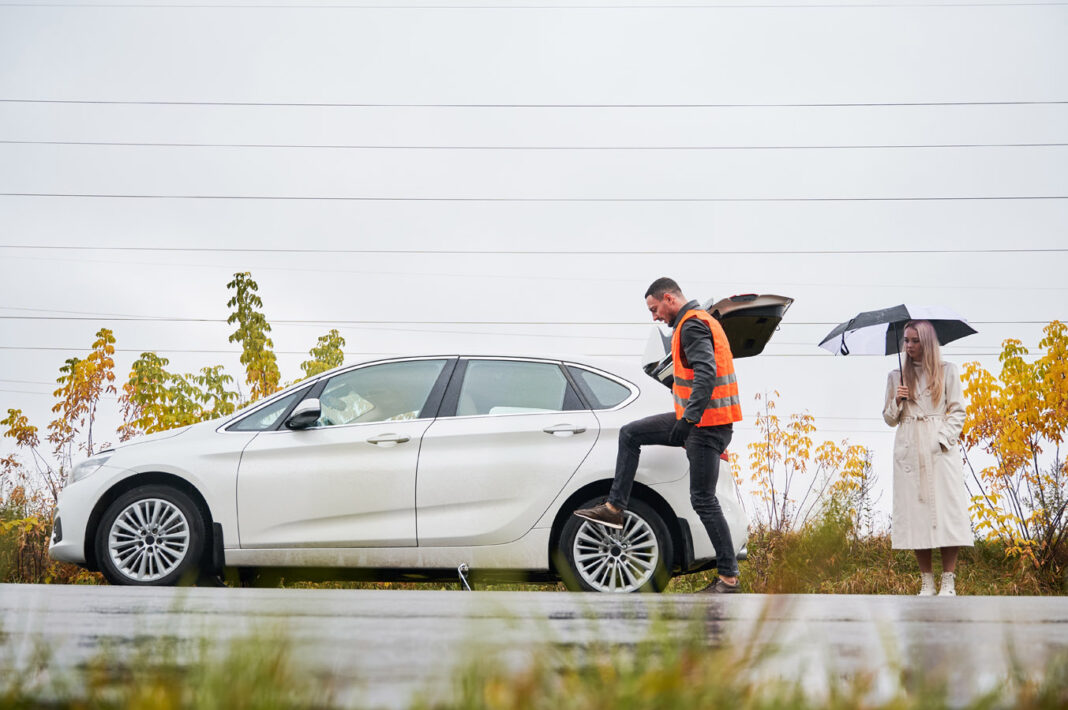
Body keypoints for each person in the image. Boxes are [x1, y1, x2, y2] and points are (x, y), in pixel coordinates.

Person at [573, 277, 743, 593]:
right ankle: (613, 509)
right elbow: (695, 375)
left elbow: (706, 374)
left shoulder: (691, 325)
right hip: (705, 422)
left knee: (703, 499)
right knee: (630, 434)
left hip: (705, 426)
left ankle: (729, 579)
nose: (655, 317)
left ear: (669, 298)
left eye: (655, 309)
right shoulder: (702, 322)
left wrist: (688, 420)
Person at [883, 319, 973, 596]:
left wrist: (941, 440)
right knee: (915, 514)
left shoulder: (948, 372)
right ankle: (926, 580)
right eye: (906, 341)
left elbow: (958, 412)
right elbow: (888, 419)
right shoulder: (895, 376)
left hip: (939, 447)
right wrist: (897, 401)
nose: (909, 346)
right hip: (909, 446)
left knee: (948, 511)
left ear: (927, 342)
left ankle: (948, 579)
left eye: (914, 340)